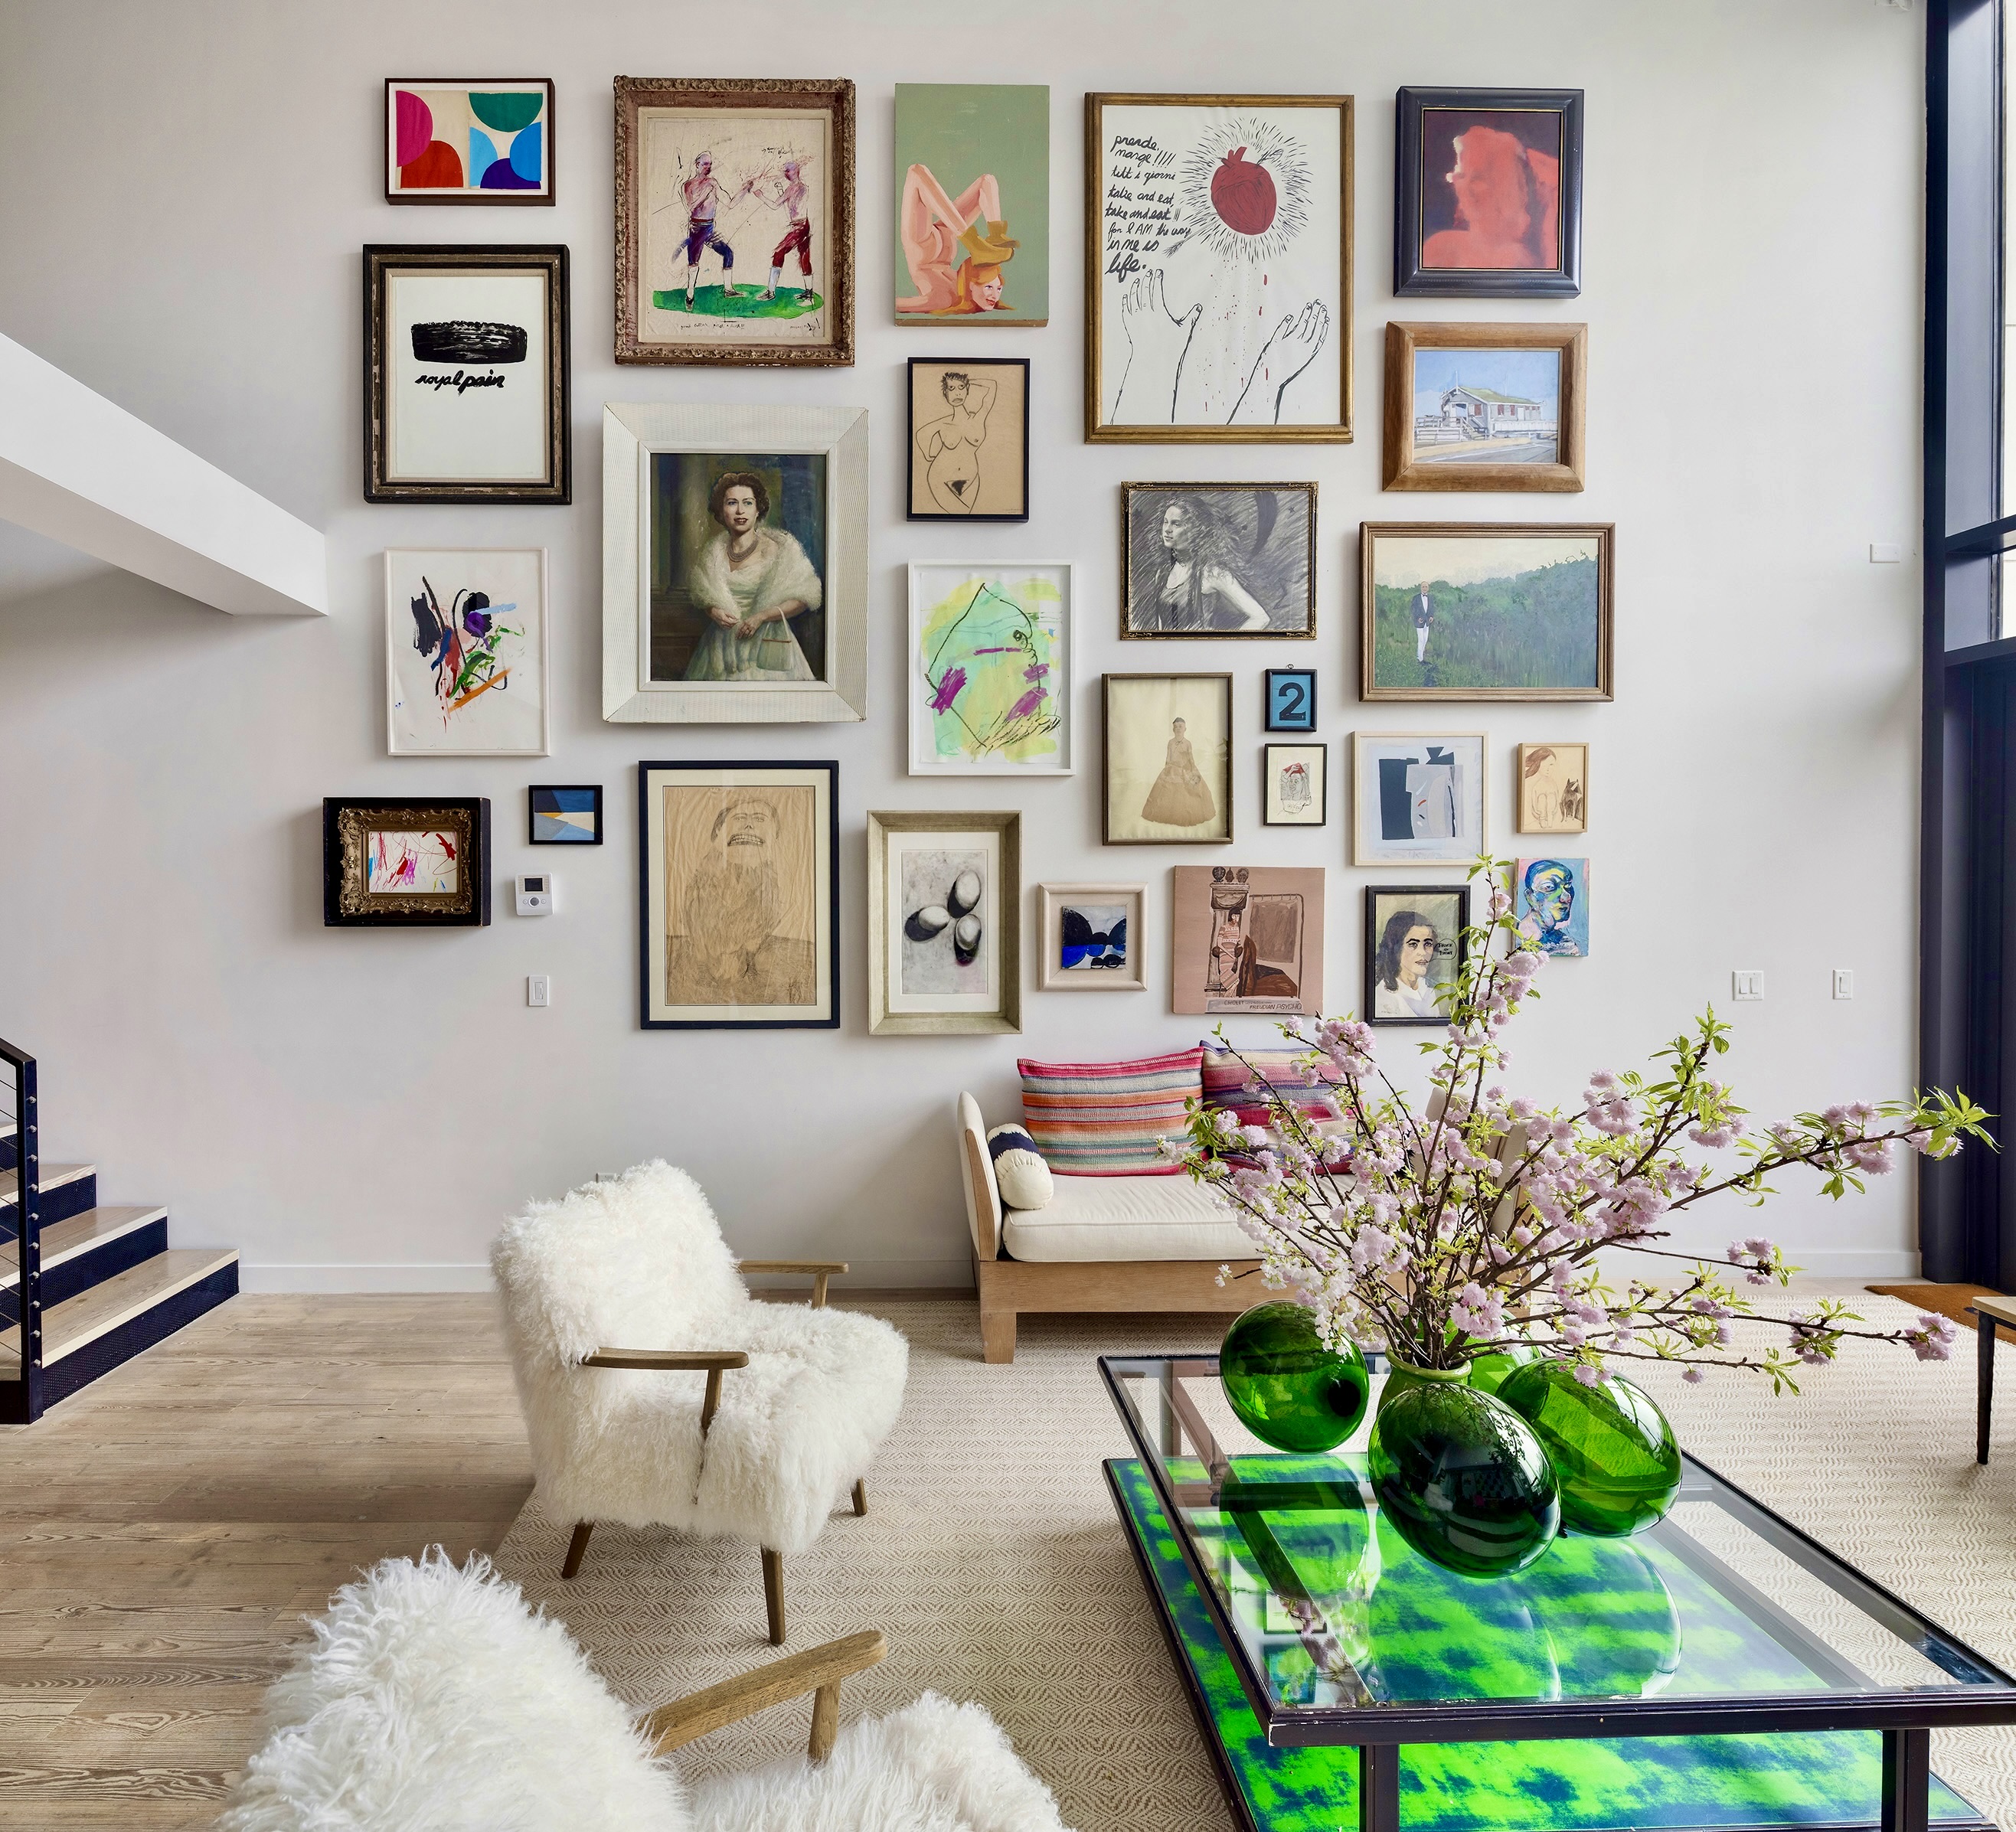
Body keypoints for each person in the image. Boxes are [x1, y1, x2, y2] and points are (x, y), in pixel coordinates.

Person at [665, 794, 814, 1006]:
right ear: (718, 832)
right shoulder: (673, 958)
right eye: (739, 818)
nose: (749, 825)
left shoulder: (796, 960)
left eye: (760, 819)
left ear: (774, 836)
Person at [683, 472, 822, 683]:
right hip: (720, 648)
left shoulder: (780, 549)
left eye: (747, 503)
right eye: (732, 503)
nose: (740, 511)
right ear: (722, 511)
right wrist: (714, 611)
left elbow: (804, 597)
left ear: (758, 510)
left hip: (767, 645)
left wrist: (762, 616)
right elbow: (705, 595)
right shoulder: (714, 552)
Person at [1422, 122, 1560, 272]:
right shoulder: (1440, 247)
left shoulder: (1516, 260)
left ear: (1503, 188)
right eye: (1461, 176)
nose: (1466, 188)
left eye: (1479, 179)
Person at [898, 163, 1018, 315]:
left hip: (922, 250)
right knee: (987, 182)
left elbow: (896, 304)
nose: (995, 296)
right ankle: (996, 236)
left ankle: (973, 243)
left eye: (990, 288)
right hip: (946, 243)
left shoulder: (944, 300)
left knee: (917, 172)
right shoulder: (963, 287)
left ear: (975, 285)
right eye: (997, 288)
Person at [1148, 498, 1271, 632]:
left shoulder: (1212, 573)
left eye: (1176, 524)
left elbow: (1261, 618)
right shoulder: (1163, 573)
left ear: (1195, 529)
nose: (1167, 529)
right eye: (1165, 522)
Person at [913, 370, 998, 514]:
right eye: (951, 389)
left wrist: (967, 380)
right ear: (945, 393)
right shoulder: (943, 424)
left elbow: (993, 385)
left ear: (967, 390)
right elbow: (921, 434)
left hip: (971, 480)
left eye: (961, 388)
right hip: (940, 479)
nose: (957, 393)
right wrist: (928, 456)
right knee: (960, 515)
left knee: (966, 517)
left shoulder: (978, 418)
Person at [679, 151, 744, 307]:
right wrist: (706, 193)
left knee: (728, 253)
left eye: (710, 164)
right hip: (696, 228)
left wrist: (744, 190)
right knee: (693, 263)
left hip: (709, 228)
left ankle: (728, 289)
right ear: (697, 165)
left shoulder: (713, 182)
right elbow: (691, 207)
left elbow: (729, 203)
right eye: (705, 164)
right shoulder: (688, 185)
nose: (709, 167)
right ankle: (690, 296)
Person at [753, 158, 815, 305]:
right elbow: (793, 207)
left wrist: (761, 196)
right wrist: (782, 192)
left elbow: (775, 205)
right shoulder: (801, 187)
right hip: (803, 225)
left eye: (788, 170)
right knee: (804, 257)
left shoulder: (795, 188)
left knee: (779, 253)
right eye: (785, 171)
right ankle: (809, 292)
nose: (786, 173)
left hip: (800, 227)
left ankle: (771, 292)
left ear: (796, 171)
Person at [1140, 717, 1218, 827]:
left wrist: (1192, 770)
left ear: (1185, 729)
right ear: (1173, 729)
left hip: (1186, 769)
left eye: (1180, 726)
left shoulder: (1187, 743)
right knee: (1167, 791)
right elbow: (1168, 757)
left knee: (1190, 791)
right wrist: (1167, 769)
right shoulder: (1171, 743)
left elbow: (1190, 758)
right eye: (1175, 727)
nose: (1178, 729)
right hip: (1172, 769)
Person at [1373, 910, 1447, 1019]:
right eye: (1413, 944)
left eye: (1428, 944)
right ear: (1395, 948)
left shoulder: (1428, 990)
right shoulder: (1384, 997)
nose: (1423, 952)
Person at [1522, 859, 1581, 957]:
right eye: (1549, 887)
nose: (1566, 898)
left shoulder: (1567, 945)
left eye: (1568, 886)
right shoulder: (1516, 941)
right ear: (1530, 897)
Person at [1411, 581, 1435, 664]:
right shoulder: (1416, 598)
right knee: (1421, 640)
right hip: (1419, 622)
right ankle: (1419, 659)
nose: (1425, 588)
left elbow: (1431, 608)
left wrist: (1431, 616)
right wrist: (1418, 618)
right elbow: (1413, 610)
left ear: (1428, 588)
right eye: (1423, 587)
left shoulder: (1430, 598)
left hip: (1427, 622)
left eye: (1426, 587)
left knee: (1425, 639)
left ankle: (1421, 656)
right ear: (1421, 588)